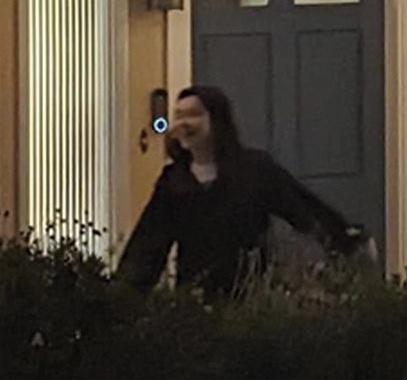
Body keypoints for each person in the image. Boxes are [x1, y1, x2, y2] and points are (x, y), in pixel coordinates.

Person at [114, 82, 364, 296]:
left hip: (250, 301)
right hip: (195, 303)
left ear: (217, 119)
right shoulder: (174, 181)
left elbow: (303, 209)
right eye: (178, 115)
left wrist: (345, 241)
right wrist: (121, 299)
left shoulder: (255, 170)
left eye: (193, 114)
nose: (183, 123)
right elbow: (147, 246)